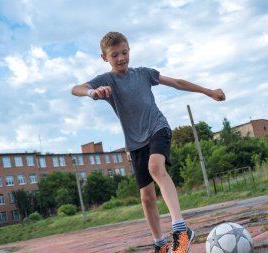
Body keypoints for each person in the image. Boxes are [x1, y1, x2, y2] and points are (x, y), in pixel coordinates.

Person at [71, 32, 226, 253]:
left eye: (124, 52)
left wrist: (208, 92)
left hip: (157, 128)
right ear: (104, 58)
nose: (121, 58)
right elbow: (75, 89)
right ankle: (160, 245)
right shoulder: (107, 81)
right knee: (146, 197)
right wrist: (91, 92)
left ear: (129, 50)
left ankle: (181, 230)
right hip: (134, 143)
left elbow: (176, 82)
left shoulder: (143, 74)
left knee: (156, 167)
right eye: (115, 55)